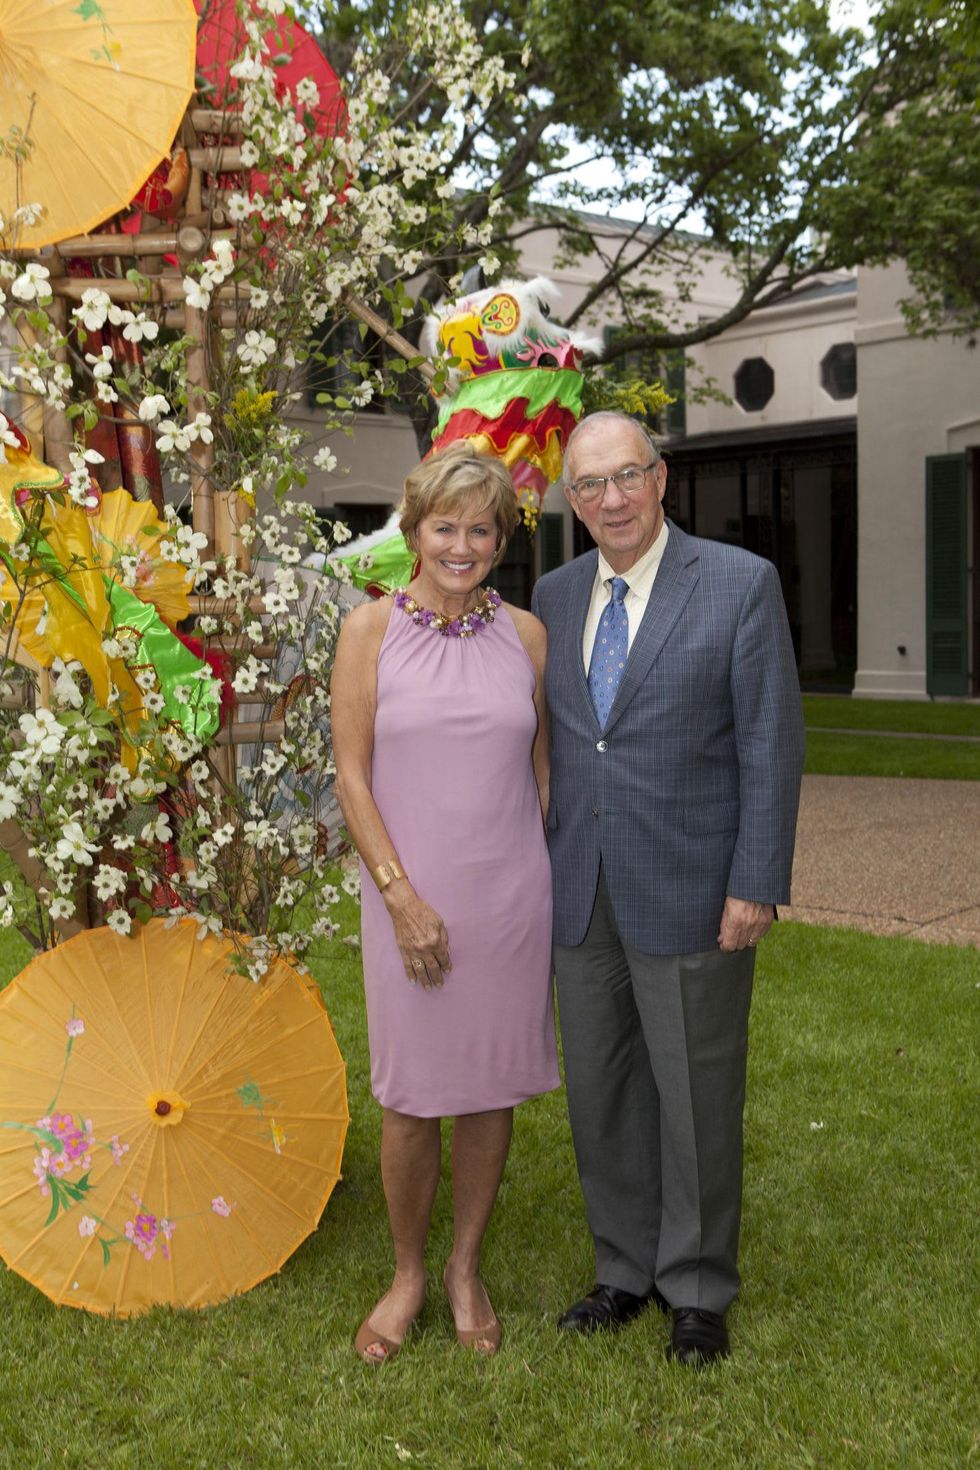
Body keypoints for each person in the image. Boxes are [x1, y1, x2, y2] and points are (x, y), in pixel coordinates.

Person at [531, 411, 805, 1367]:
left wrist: (757, 880)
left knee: (695, 1091)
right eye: (590, 485)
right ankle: (621, 1270)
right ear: (572, 500)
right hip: (582, 889)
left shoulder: (738, 584)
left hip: (694, 884)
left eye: (627, 477)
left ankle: (695, 1286)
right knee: (601, 1093)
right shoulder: (554, 596)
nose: (611, 499)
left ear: (661, 478)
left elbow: (772, 740)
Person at [331, 442, 558, 1363]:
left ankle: (465, 1267)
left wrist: (530, 871)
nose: (461, 545)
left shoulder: (529, 636)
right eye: (444, 526)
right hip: (405, 897)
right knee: (413, 1096)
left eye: (481, 529)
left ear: (500, 540)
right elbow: (350, 776)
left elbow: (541, 770)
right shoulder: (369, 631)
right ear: (413, 527)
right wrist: (399, 897)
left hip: (509, 899)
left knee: (490, 1087)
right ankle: (407, 1273)